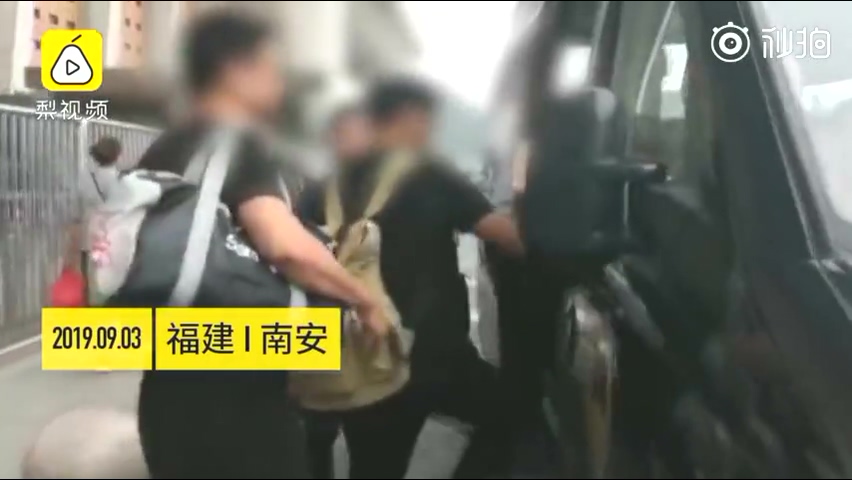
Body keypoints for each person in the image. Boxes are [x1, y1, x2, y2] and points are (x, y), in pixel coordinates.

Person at [134, 10, 386, 479]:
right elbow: (282, 244)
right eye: (272, 69)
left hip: (165, 393)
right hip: (235, 403)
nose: (280, 83)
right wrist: (364, 299)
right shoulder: (239, 143)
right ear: (235, 70)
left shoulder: (166, 148)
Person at [298, 78, 525, 479]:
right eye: (428, 121)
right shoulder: (432, 175)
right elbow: (508, 237)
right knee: (510, 414)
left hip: (349, 348)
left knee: (366, 461)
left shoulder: (326, 182)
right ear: (409, 117)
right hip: (422, 356)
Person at [301, 104, 375, 480]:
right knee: (320, 427)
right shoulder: (319, 189)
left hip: (361, 318)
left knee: (363, 430)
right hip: (330, 314)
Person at [64, 136, 122, 304]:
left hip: (88, 236)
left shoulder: (85, 178)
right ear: (116, 155)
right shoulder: (118, 180)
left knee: (89, 281)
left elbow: (75, 208)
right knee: (108, 281)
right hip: (110, 238)